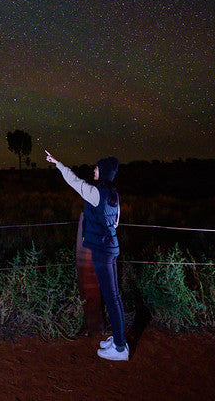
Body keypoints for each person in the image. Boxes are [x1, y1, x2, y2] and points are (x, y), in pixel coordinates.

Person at [45, 149, 129, 361]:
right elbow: (115, 222)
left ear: (104, 172)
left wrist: (58, 164)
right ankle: (118, 339)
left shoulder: (96, 192)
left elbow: (74, 182)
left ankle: (120, 348)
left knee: (112, 297)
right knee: (114, 296)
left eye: (97, 168)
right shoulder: (113, 193)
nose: (94, 170)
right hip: (111, 247)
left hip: (102, 251)